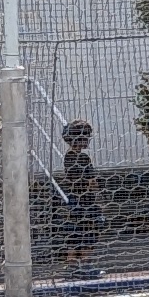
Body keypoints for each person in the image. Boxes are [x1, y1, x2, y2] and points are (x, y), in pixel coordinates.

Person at [49, 119, 104, 279]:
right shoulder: (83, 158)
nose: (87, 140)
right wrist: (96, 189)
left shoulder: (68, 157)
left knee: (75, 232)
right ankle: (85, 264)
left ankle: (72, 265)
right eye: (86, 137)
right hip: (85, 200)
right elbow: (91, 181)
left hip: (73, 199)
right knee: (88, 231)